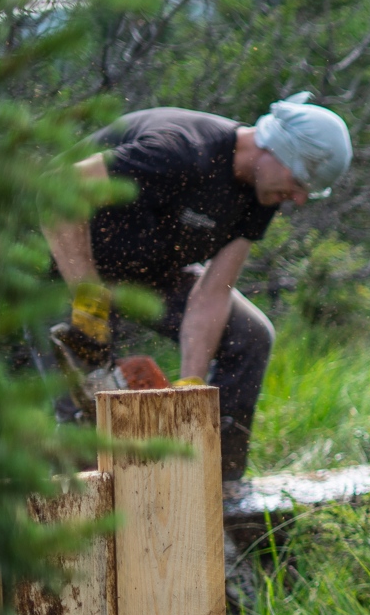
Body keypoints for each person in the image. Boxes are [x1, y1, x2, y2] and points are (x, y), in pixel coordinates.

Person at [43, 92, 353, 483]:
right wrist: (86, 297)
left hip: (146, 270)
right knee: (85, 411)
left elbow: (213, 292)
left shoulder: (262, 192)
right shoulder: (183, 150)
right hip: (64, 262)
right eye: (299, 181)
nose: (300, 198)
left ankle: (217, 490)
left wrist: (190, 388)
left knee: (250, 336)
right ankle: (81, 527)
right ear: (273, 149)